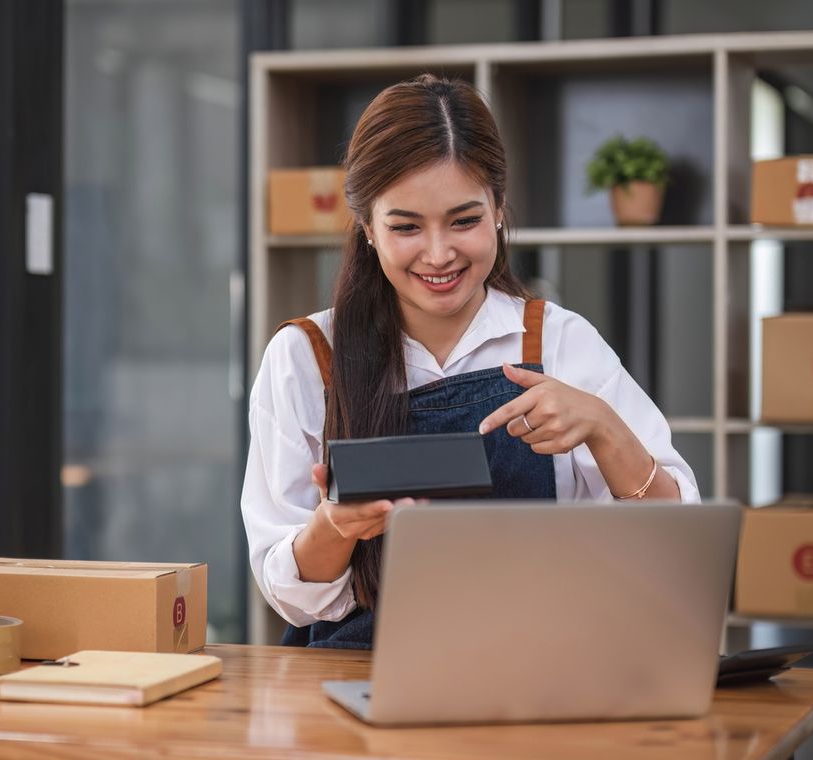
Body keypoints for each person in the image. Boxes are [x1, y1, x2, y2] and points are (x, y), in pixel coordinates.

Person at [241, 74, 699, 650]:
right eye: (405, 226)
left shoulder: (558, 341)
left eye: (464, 220)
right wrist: (334, 529)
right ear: (367, 228)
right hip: (359, 672)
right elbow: (284, 590)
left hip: (538, 662)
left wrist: (607, 430)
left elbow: (675, 546)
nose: (439, 254)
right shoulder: (306, 357)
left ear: (500, 209)